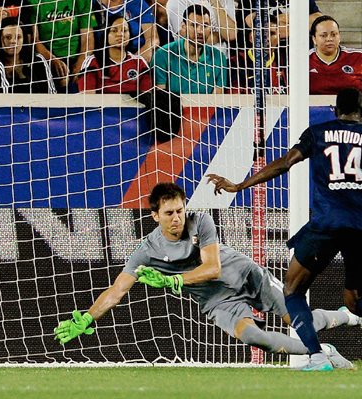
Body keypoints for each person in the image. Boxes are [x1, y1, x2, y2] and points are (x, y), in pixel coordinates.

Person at [54, 182, 360, 370]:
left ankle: (347, 316)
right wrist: (88, 317)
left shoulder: (199, 222)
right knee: (257, 338)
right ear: (154, 216)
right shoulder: (146, 250)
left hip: (244, 274)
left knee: (295, 319)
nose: (177, 218)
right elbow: (116, 291)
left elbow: (212, 267)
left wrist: (174, 281)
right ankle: (323, 351)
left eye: (179, 210)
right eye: (169, 213)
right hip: (217, 300)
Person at [207, 87, 362, 371]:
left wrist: (241, 185)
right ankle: (323, 350)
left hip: (325, 224)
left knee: (292, 291)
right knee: (353, 301)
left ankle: (316, 358)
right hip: (359, 227)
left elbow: (285, 163)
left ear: (334, 108)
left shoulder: (318, 132)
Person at [151, 4, 227, 94]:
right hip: (172, 107)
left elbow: (216, 101)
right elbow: (161, 99)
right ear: (183, 26)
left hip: (206, 107)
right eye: (194, 25)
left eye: (205, 26)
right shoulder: (163, 55)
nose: (200, 31)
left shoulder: (219, 58)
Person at [25, 0, 97, 92]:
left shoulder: (82, 2)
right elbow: (35, 40)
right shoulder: (33, 2)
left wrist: (79, 66)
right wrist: (53, 60)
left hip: (75, 57)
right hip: (46, 58)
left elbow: (87, 38)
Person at [0, 18, 56, 94]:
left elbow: (51, 93)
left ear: (24, 39)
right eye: (8, 37)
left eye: (18, 37)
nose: (13, 41)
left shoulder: (37, 60)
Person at [230, 15, 287, 94]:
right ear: (251, 37)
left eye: (272, 33)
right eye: (262, 33)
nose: (267, 39)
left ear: (279, 38)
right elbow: (234, 101)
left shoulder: (285, 63)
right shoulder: (236, 62)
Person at [308, 15, 362, 95]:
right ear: (314, 39)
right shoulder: (303, 60)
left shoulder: (358, 57)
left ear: (339, 37)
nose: (329, 39)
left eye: (334, 34)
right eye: (323, 35)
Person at [92, 0, 158, 63]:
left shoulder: (138, 3)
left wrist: (134, 61)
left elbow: (153, 38)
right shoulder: (91, 5)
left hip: (137, 56)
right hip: (103, 59)